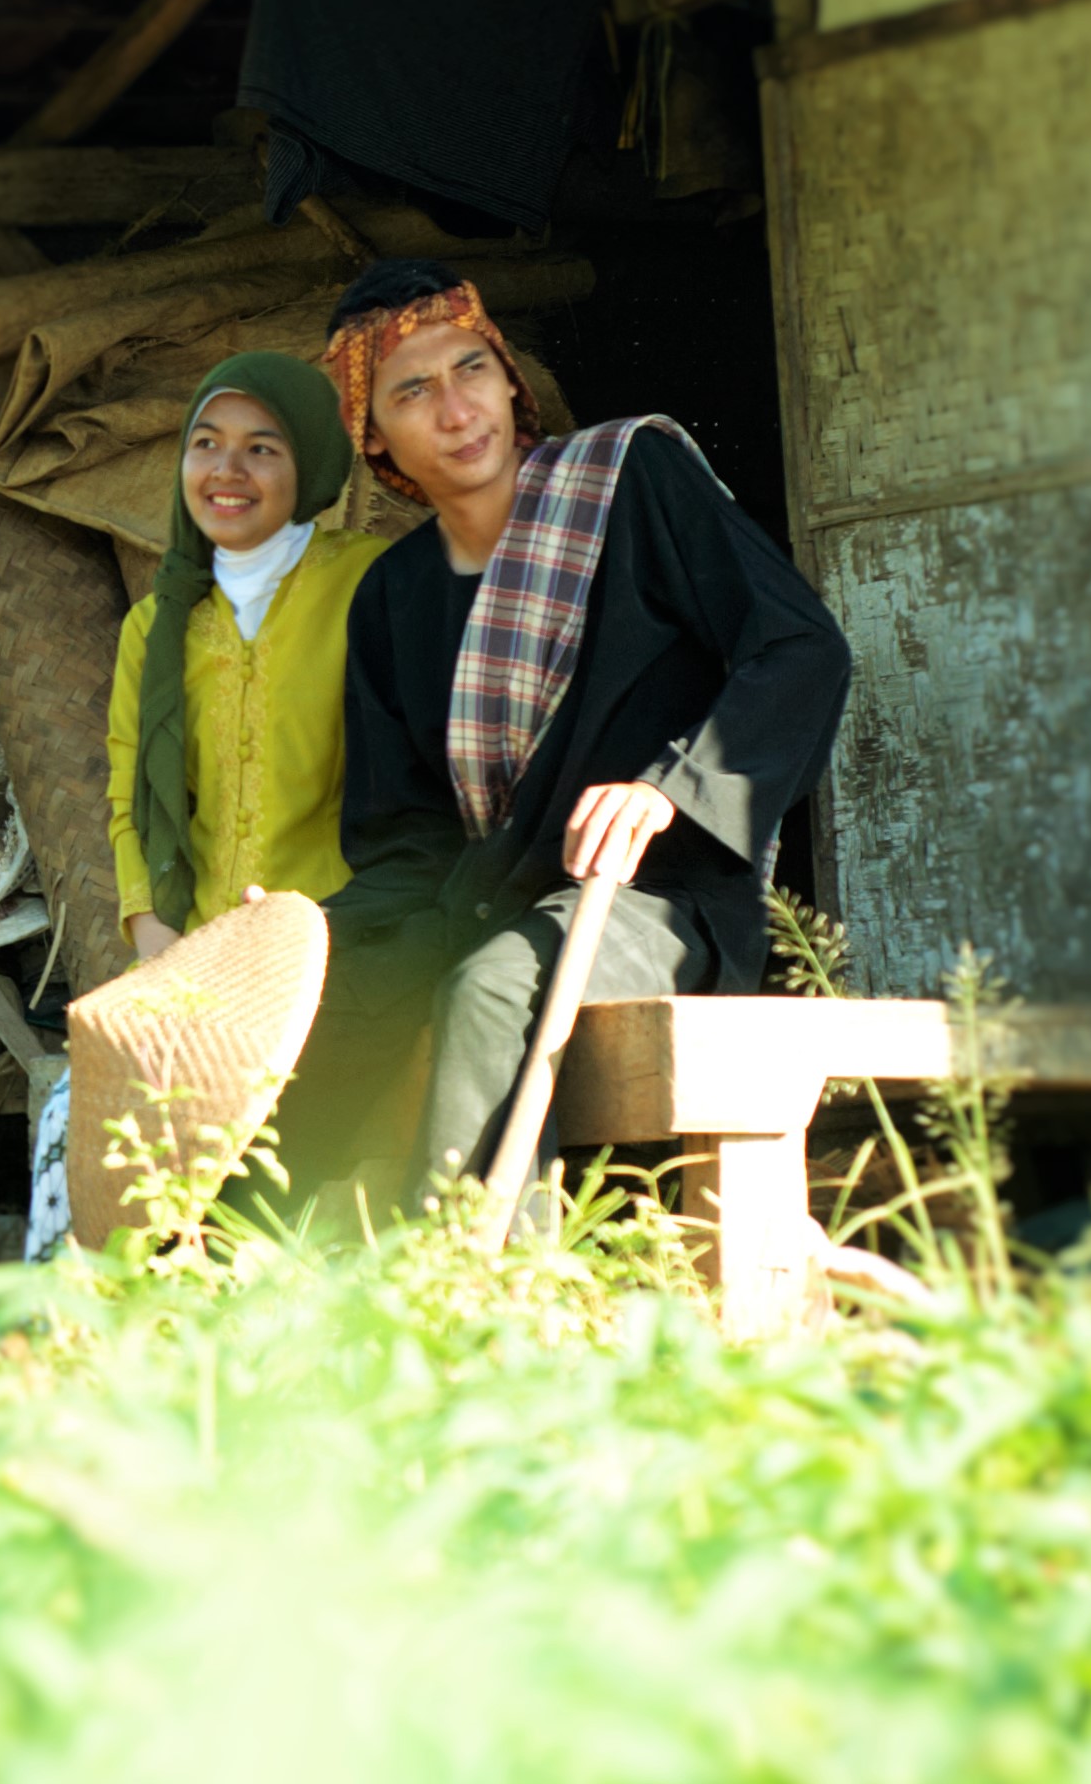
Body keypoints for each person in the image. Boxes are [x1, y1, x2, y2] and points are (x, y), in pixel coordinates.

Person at [286, 259, 851, 1215]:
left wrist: (667, 789)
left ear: (510, 378)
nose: (456, 410)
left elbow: (800, 649)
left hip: (660, 901)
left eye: (470, 369)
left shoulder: (630, 481)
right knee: (293, 1007)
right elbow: (403, 842)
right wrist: (309, 938)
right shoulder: (392, 596)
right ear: (372, 436)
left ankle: (491, 1301)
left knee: (494, 991)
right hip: (475, 904)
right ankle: (235, 1282)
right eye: (411, 391)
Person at [105, 354, 386, 969]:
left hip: (343, 940)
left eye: (261, 449)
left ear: (308, 463)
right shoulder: (155, 625)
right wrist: (155, 935)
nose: (226, 471)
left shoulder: (372, 583)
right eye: (206, 443)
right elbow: (131, 800)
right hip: (195, 946)